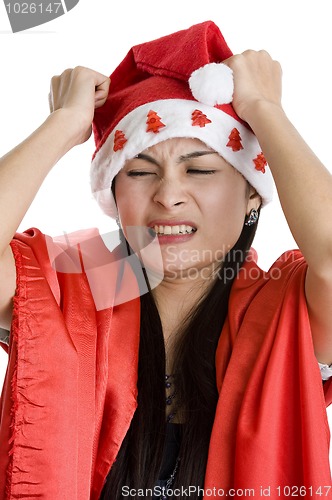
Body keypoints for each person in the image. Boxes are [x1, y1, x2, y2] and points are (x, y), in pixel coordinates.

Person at [0, 20, 331, 500]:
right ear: (114, 196)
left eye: (199, 169)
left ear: (253, 195)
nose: (169, 195)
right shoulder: (82, 279)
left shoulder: (286, 304)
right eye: (138, 170)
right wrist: (63, 125)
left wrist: (265, 111)